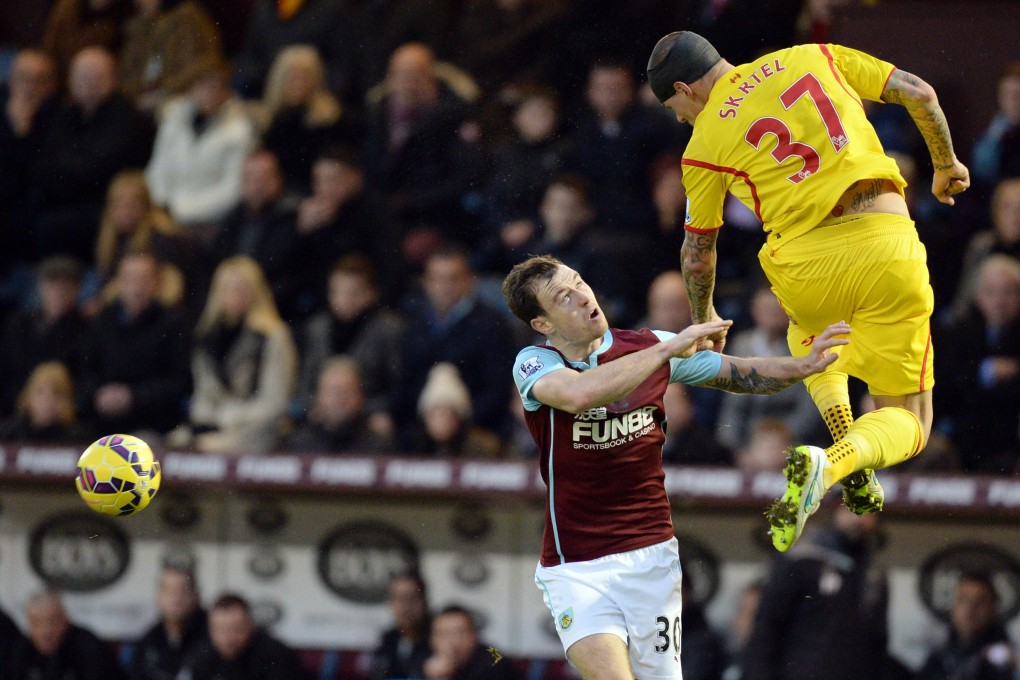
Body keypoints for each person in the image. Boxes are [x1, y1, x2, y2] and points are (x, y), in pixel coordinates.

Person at [647, 30, 971, 551]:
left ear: (685, 88)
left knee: (808, 333)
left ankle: (844, 439)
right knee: (911, 421)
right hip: (880, 241)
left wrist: (705, 318)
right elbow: (919, 93)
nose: (681, 118)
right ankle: (833, 464)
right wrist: (944, 164)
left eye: (675, 108)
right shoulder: (812, 56)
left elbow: (696, 252)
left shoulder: (702, 145)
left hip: (803, 268)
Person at [501, 254, 848, 679]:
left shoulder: (648, 347)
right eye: (562, 297)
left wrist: (805, 366)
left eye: (578, 281)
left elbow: (739, 372)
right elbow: (578, 396)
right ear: (544, 324)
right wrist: (667, 348)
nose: (581, 295)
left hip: (651, 559)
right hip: (577, 565)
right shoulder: (536, 363)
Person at [741, 508, 893, 680]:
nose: (858, 519)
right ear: (834, 512)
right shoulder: (803, 560)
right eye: (849, 510)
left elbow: (878, 642)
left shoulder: (873, 574)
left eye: (867, 512)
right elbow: (767, 629)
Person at [182, 256, 298, 454]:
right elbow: (203, 393)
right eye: (227, 288)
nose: (234, 295)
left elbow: (275, 402)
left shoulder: (273, 336)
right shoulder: (206, 336)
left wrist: (233, 416)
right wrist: (208, 417)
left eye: (242, 288)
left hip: (258, 429)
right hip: (214, 424)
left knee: (216, 449)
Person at [144, 56, 256, 244]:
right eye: (204, 85)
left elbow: (232, 188)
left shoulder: (240, 130)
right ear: (193, 87)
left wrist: (180, 210)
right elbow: (158, 166)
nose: (210, 92)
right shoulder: (173, 117)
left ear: (226, 91)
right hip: (164, 211)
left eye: (217, 86)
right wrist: (160, 202)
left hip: (208, 221)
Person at [77, 250, 191, 435]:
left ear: (157, 283)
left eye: (144, 279)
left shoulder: (173, 324)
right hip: (100, 422)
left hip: (154, 425)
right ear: (119, 283)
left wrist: (133, 397)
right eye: (130, 279)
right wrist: (98, 395)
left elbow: (180, 381)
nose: (137, 287)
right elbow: (85, 372)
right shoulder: (101, 322)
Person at [0, 255, 87, 415]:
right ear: (40, 286)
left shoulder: (86, 329)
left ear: (77, 289)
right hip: (16, 409)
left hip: (66, 414)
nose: (59, 291)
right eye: (53, 284)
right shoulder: (19, 324)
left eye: (66, 286)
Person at [118, 0, 224, 113]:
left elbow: (205, 62)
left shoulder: (188, 19)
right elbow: (129, 72)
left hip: (180, 93)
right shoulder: (138, 26)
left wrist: (164, 89)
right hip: (142, 96)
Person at [2, 590, 125, 680]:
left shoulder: (89, 649)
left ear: (65, 620)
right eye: (36, 623)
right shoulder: (21, 650)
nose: (46, 632)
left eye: (52, 621)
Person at [179, 593, 307, 680]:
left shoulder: (276, 655)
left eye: (236, 629)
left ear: (251, 626)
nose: (227, 638)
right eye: (220, 630)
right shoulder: (201, 655)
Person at [916, 572, 1016, 680]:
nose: (970, 608)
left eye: (980, 601)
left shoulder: (999, 656)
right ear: (953, 608)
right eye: (962, 600)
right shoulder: (940, 657)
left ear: (993, 609)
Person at [285, 356, 395, 453]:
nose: (340, 400)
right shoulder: (298, 446)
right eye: (333, 392)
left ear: (360, 396)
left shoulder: (377, 448)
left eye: (346, 392)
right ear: (319, 396)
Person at [126, 565, 207, 680]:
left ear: (196, 596)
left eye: (182, 590)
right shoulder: (148, 642)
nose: (175, 598)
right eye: (168, 590)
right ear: (158, 597)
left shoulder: (214, 636)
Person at [0, 361, 91, 443]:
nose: (48, 401)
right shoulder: (7, 435)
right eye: (40, 392)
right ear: (28, 396)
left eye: (57, 393)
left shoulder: (80, 439)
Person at [423, 605, 519, 680]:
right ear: (432, 639)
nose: (453, 641)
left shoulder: (495, 659)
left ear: (474, 635)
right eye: (444, 634)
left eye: (460, 633)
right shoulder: (421, 657)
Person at [370, 572, 432, 680]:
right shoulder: (387, 641)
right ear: (390, 603)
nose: (405, 607)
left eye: (411, 598)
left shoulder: (437, 641)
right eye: (398, 598)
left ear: (424, 601)